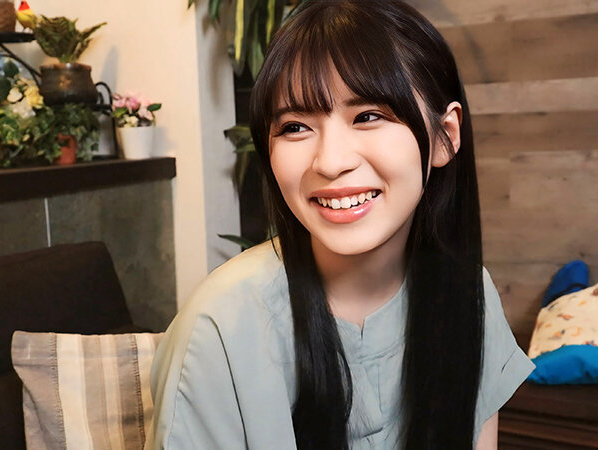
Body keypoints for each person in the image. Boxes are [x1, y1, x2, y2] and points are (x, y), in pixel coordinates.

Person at [146, 1, 534, 449]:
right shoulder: (220, 328)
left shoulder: (467, 294)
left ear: (445, 136)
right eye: (295, 127)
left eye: (368, 116)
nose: (330, 162)